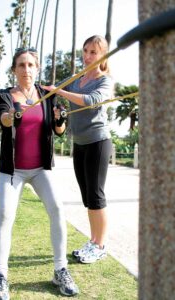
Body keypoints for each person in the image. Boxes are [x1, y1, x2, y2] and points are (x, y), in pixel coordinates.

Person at [0, 47, 79, 300]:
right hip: (13, 171)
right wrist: (13, 114)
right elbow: (4, 118)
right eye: (21, 65)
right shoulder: (4, 95)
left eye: (30, 65)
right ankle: (0, 277)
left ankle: (60, 270)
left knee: (57, 210)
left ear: (36, 68)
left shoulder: (48, 95)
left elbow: (59, 130)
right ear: (14, 70)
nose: (26, 69)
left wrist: (60, 118)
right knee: (6, 215)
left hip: (41, 169)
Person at [42, 35, 113, 264]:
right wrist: (58, 108)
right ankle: (93, 241)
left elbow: (92, 100)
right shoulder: (76, 79)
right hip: (80, 143)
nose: (88, 56)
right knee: (87, 196)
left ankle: (100, 245)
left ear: (102, 55)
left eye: (93, 52)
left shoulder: (105, 81)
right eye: (85, 51)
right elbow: (57, 97)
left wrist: (60, 92)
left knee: (96, 195)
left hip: (98, 142)